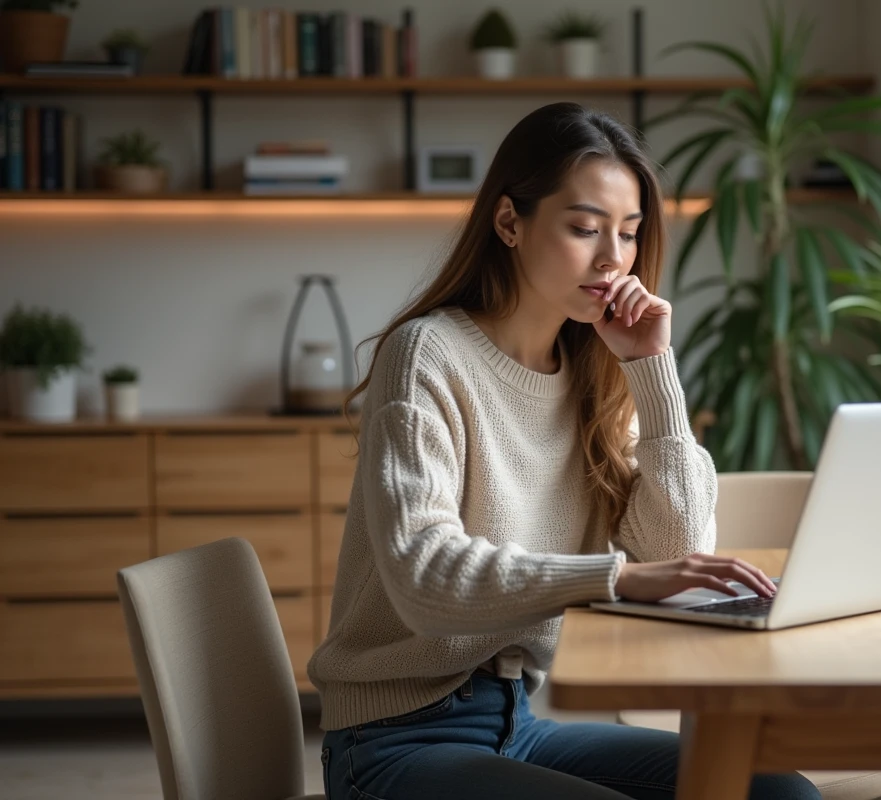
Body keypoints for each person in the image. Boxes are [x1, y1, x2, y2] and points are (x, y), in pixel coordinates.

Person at [308, 101, 821, 800]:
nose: (613, 259)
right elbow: (422, 576)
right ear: (510, 222)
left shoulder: (596, 374)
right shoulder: (428, 355)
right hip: (392, 740)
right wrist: (615, 577)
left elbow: (676, 550)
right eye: (585, 228)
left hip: (518, 723)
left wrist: (652, 370)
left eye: (630, 234)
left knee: (777, 794)